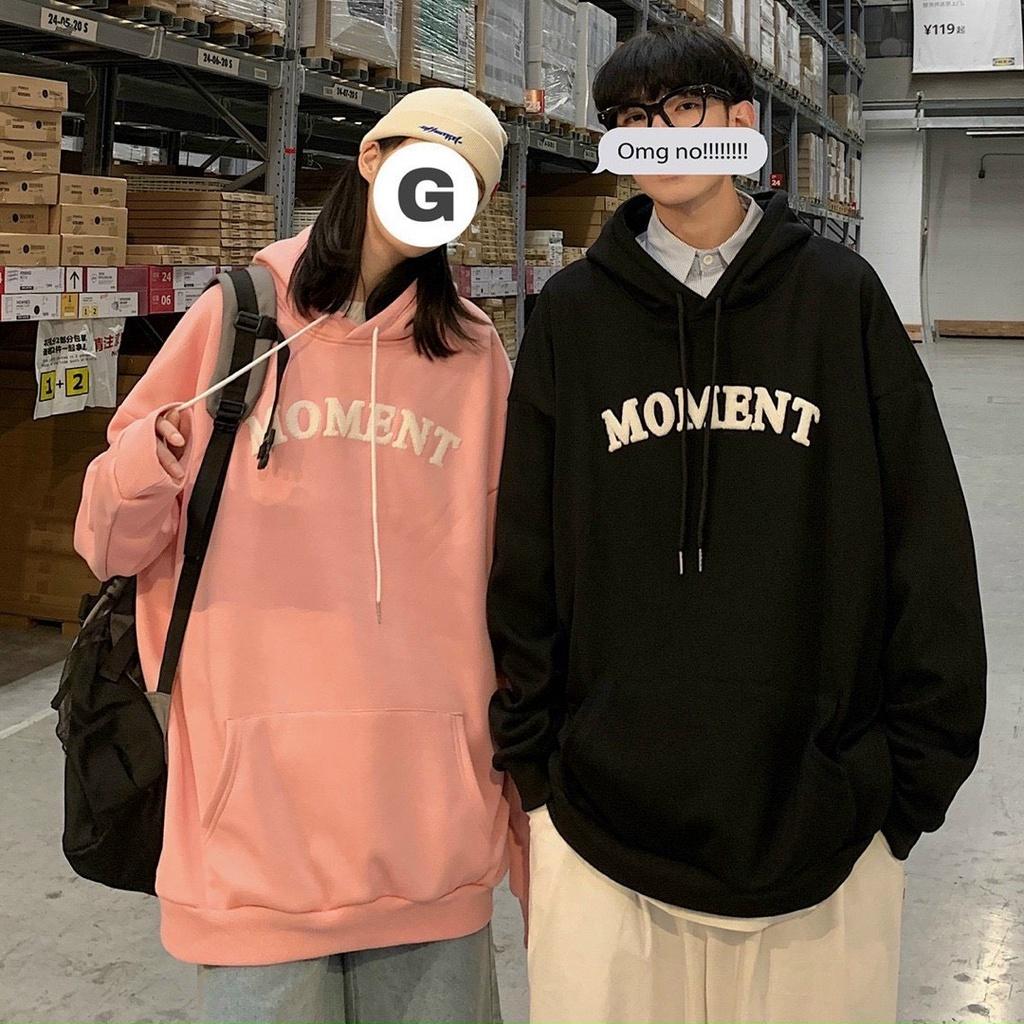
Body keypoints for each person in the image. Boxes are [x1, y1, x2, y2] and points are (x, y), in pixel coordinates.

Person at [488, 23, 986, 1024]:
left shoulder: (839, 299)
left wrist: (906, 784)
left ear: (742, 123)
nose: (661, 136)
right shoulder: (575, 316)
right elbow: (526, 548)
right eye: (633, 119)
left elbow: (925, 537)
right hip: (602, 824)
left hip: (821, 822)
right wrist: (534, 762)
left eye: (685, 109)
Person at [74, 88, 523, 1024]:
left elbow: (514, 578)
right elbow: (107, 542)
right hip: (257, 843)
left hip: (428, 837)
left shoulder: (475, 355)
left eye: (464, 183)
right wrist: (148, 461)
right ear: (372, 158)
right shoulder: (239, 316)